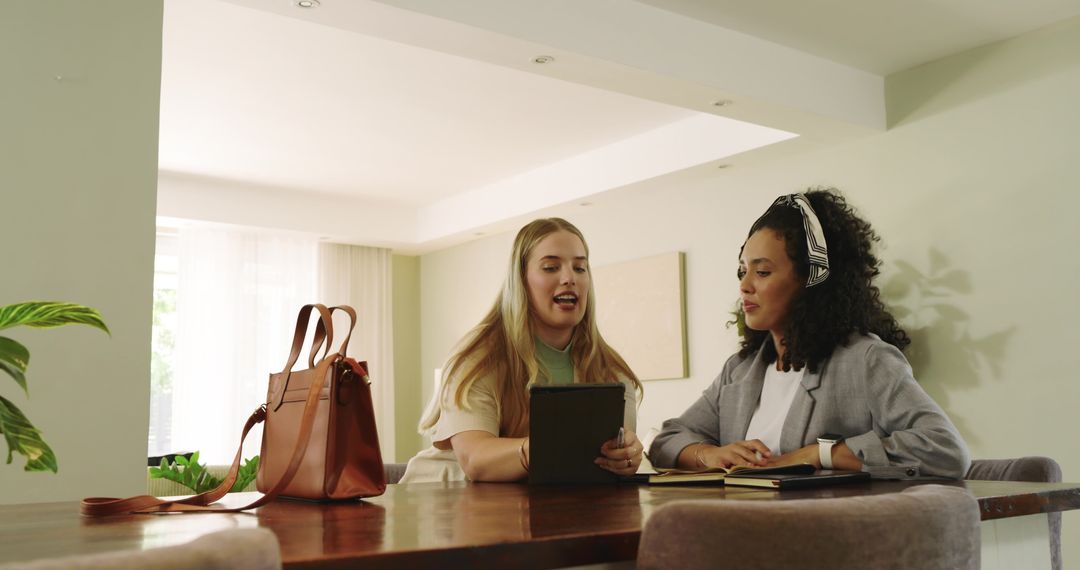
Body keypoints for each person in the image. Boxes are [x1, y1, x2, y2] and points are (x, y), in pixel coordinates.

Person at [649, 188, 970, 478]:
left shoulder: (866, 360)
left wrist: (820, 455)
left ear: (812, 280)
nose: (744, 286)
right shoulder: (740, 371)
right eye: (742, 271)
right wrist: (711, 455)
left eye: (762, 272)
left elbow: (944, 448)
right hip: (745, 533)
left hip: (828, 537)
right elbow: (666, 441)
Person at [400, 218, 643, 483]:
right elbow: (475, 460)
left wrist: (625, 457)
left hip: (537, 511)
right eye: (551, 267)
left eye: (580, 268)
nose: (569, 278)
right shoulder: (478, 358)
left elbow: (607, 461)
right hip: (440, 501)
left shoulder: (612, 370)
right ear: (521, 280)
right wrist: (545, 447)